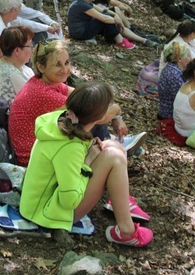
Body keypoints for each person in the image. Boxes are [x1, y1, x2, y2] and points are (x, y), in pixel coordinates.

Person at [19, 82, 153, 247]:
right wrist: (87, 162)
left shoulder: (63, 119)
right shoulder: (71, 146)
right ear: (100, 118)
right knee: (113, 157)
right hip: (45, 213)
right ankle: (126, 231)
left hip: (38, 202)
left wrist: (88, 149)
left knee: (114, 146)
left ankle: (121, 203)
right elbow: (70, 199)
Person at [67, 0, 133, 49]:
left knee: (107, 15)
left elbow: (102, 10)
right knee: (104, 19)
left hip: (83, 28)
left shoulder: (84, 1)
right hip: (80, 34)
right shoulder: (82, 5)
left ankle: (116, 38)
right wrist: (118, 21)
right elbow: (104, 18)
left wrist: (115, 14)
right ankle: (120, 41)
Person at [0, 26, 35, 103]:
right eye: (30, 46)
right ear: (17, 50)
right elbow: (36, 99)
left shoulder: (8, 63)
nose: (33, 49)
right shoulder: (10, 75)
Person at [157, 41, 193, 145]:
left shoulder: (171, 69)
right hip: (169, 114)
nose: (190, 59)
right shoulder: (174, 75)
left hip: (166, 111)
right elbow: (183, 100)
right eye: (188, 56)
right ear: (179, 59)